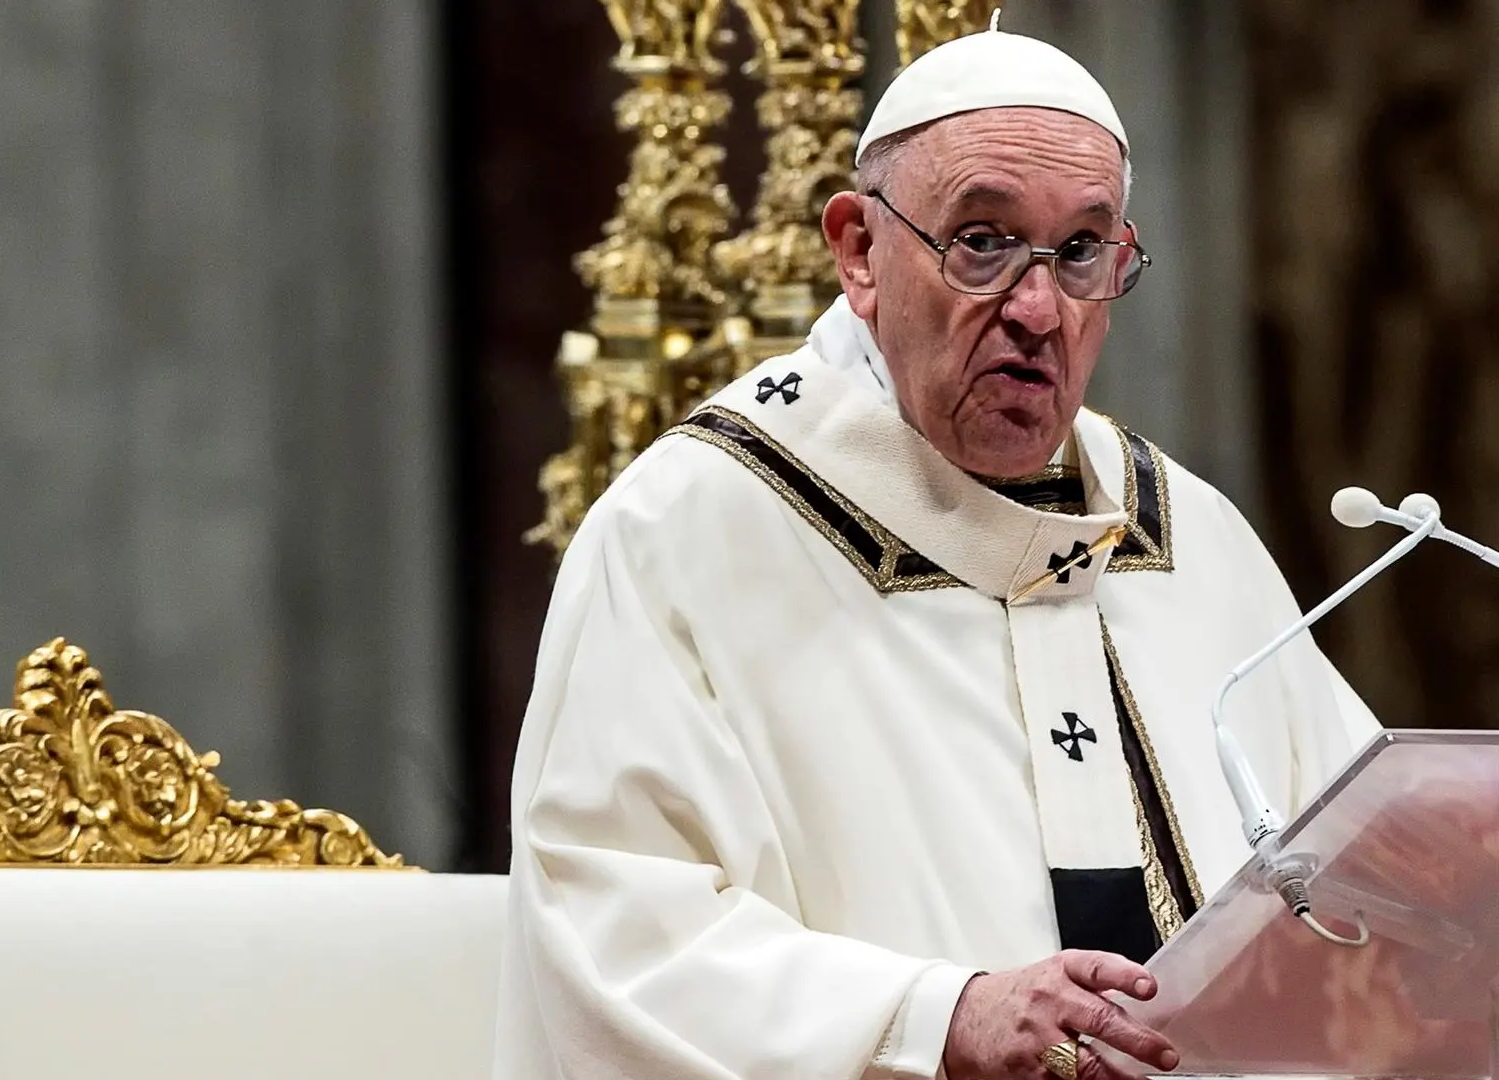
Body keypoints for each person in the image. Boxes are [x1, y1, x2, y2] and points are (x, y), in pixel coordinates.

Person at [492, 21, 1381, 1080]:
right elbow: (611, 933)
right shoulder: (685, 533)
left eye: (1084, 251)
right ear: (860, 252)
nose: (1039, 308)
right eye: (983, 242)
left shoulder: (1190, 536)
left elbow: (1368, 888)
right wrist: (938, 1016)